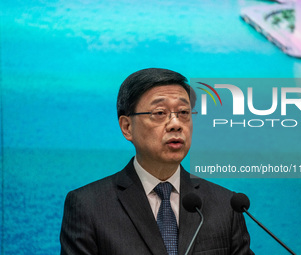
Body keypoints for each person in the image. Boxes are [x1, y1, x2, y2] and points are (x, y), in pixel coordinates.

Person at [60, 68, 254, 255]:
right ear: (127, 127)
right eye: (160, 113)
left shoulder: (226, 206)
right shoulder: (88, 206)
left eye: (184, 113)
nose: (176, 124)